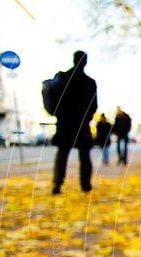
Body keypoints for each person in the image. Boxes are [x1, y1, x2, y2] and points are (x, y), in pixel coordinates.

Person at [51, 50, 98, 194]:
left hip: (65, 122)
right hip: (81, 123)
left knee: (63, 153)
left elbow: (53, 98)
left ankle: (57, 183)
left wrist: (59, 114)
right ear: (85, 62)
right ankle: (85, 184)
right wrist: (87, 117)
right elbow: (94, 105)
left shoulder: (62, 78)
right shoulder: (89, 82)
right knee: (84, 155)